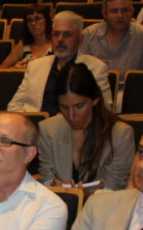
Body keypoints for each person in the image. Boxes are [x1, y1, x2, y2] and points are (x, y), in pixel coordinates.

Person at [38, 64, 135, 192]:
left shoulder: (120, 134)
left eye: (79, 106)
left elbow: (115, 186)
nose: (71, 115)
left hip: (103, 203)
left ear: (95, 99)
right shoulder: (48, 129)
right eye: (64, 107)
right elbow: (46, 176)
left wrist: (85, 195)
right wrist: (53, 184)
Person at [8, 11, 113, 115]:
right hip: (35, 123)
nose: (60, 39)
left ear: (80, 39)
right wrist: (27, 122)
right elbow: (15, 105)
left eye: (67, 34)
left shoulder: (96, 68)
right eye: (56, 34)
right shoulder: (35, 66)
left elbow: (104, 109)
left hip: (73, 123)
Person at [80, 0, 143, 78]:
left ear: (131, 12)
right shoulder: (88, 34)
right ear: (104, 13)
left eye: (124, 10)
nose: (120, 16)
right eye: (114, 11)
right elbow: (80, 75)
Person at [0, 4, 53, 69]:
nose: (33, 23)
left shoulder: (55, 45)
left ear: (46, 21)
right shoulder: (22, 45)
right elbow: (0, 70)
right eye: (29, 20)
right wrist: (15, 68)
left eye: (38, 18)